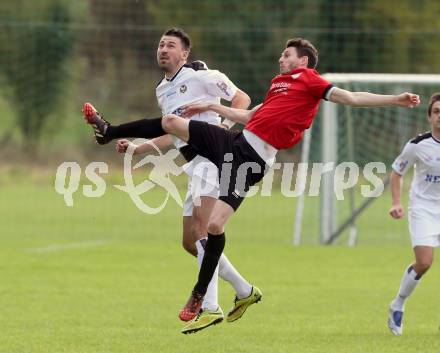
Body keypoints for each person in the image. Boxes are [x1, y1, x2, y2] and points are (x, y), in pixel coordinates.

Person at [83, 37, 420, 322]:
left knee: (214, 228)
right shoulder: (276, 84)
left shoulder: (310, 81)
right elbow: (247, 115)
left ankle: (206, 294)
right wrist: (207, 108)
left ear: (303, 60)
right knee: (171, 122)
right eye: (281, 54)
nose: (281, 58)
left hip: (255, 161)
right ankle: (108, 131)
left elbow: (351, 98)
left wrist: (395, 99)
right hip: (235, 142)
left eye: (286, 55)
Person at [89, 27, 262, 334]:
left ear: (184, 54)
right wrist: (140, 147)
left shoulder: (201, 75)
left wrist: (223, 124)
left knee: (202, 231)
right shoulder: (162, 90)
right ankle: (245, 290)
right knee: (190, 241)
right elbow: (173, 131)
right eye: (160, 45)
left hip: (214, 158)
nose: (163, 49)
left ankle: (210, 306)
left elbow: (242, 98)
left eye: (170, 45)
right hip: (194, 164)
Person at [387, 92, 440, 336]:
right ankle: (398, 303)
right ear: (430, 116)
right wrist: (396, 203)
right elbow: (397, 172)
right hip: (423, 209)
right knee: (424, 262)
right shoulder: (417, 145)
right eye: (437, 112)